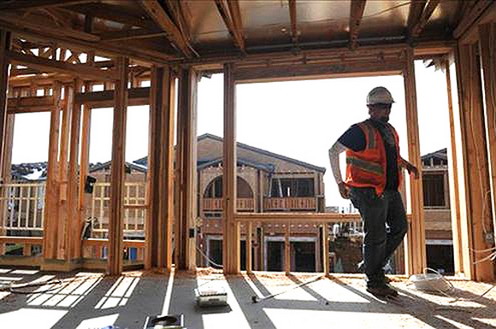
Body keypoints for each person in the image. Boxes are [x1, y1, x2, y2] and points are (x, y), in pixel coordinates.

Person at [328, 86, 419, 297]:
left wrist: (407, 165)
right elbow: (333, 151)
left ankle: (371, 265)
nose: (386, 111)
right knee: (376, 235)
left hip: (389, 189)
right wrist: (340, 183)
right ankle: (374, 280)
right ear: (370, 108)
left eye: (388, 107)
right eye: (381, 107)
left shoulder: (390, 131)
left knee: (399, 227)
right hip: (366, 190)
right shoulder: (359, 130)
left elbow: (389, 157)